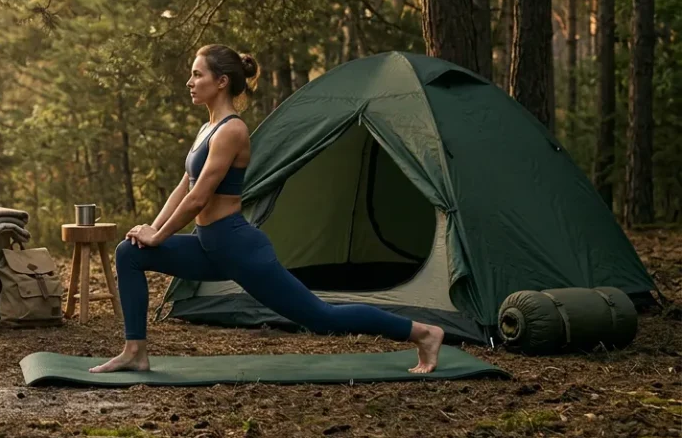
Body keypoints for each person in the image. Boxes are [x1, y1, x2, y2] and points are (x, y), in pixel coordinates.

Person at [89, 44, 445, 375]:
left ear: (222, 81)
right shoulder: (206, 128)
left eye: (198, 74)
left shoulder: (232, 131)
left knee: (321, 318)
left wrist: (159, 235)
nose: (190, 82)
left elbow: (199, 198)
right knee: (130, 253)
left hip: (238, 248)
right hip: (210, 246)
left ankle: (422, 333)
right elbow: (184, 185)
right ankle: (135, 350)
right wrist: (151, 229)